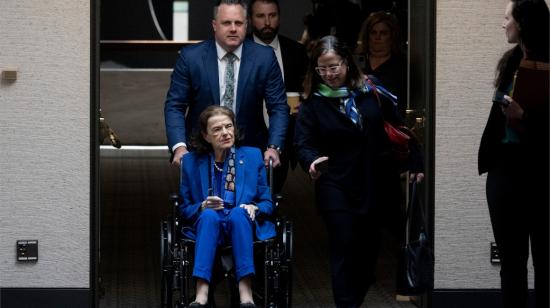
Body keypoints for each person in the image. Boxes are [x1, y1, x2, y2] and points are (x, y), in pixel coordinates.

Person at [294, 35, 423, 308]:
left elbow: (398, 127)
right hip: (335, 182)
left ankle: (355, 296)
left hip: (373, 180)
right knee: (343, 245)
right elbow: (303, 143)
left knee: (367, 254)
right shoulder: (313, 103)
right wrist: (311, 161)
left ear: (347, 63)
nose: (328, 74)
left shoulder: (372, 91)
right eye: (322, 68)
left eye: (334, 66)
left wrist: (415, 162)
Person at [478, 1, 549, 307]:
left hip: (542, 173)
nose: (502, 24)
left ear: (522, 23)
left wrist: (525, 116)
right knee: (512, 264)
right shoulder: (512, 61)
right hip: (505, 172)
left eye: (506, 18)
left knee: (546, 263)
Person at [164, 0, 289, 170]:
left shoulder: (265, 58)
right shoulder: (191, 57)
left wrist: (274, 147)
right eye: (226, 23)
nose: (233, 28)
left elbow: (278, 107)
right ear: (215, 25)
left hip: (250, 149)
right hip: (200, 149)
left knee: (249, 197)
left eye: (238, 23)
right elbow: (175, 105)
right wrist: (179, 147)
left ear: (246, 25)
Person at [179, 106, 276, 308]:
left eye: (228, 126)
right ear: (206, 136)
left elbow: (268, 203)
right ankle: (201, 294)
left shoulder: (252, 156)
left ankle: (246, 294)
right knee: (208, 216)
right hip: (208, 226)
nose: (225, 133)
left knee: (240, 213)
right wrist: (202, 206)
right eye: (217, 129)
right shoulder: (190, 162)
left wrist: (254, 208)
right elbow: (184, 209)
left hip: (241, 224)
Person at [248, 0, 309, 193]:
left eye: (272, 16)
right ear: (250, 20)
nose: (267, 22)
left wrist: (304, 104)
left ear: (279, 18)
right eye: (260, 16)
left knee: (272, 196)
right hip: (246, 137)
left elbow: (308, 90)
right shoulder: (240, 48)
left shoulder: (296, 51)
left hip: (284, 137)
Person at [355, 11, 407, 116]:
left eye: (383, 33)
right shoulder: (356, 61)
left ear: (392, 37)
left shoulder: (402, 66)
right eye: (373, 32)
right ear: (367, 36)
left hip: (390, 124)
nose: (377, 37)